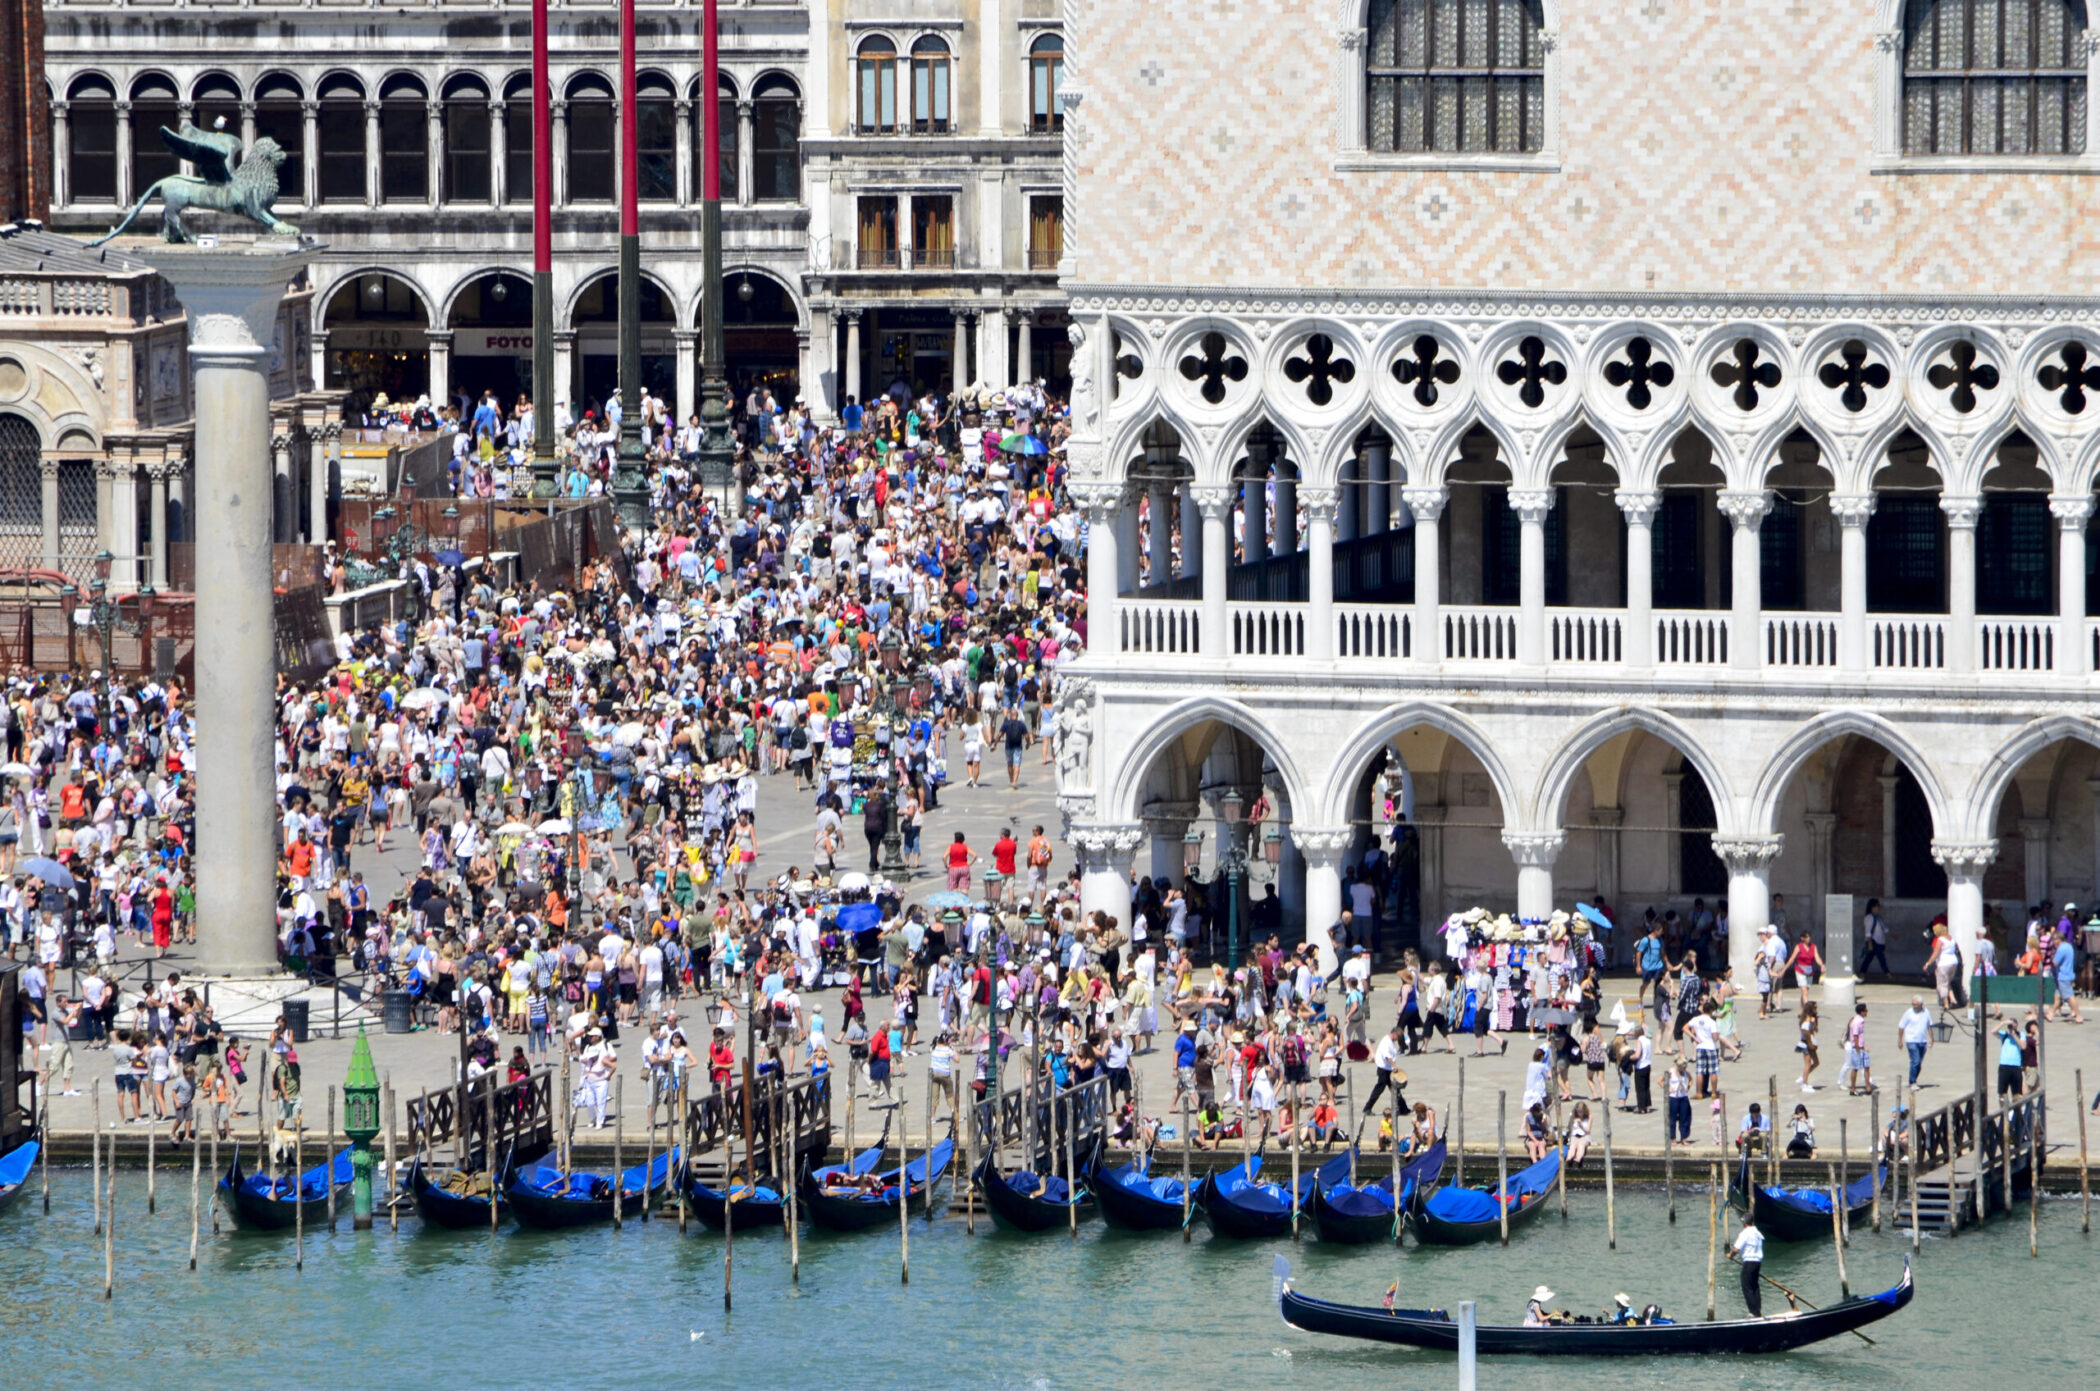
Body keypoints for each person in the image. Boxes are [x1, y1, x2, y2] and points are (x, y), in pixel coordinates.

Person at [1727, 1215, 1766, 1318]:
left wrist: (1730, 1255)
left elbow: (1736, 1249)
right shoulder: (1757, 1232)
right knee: (1754, 1286)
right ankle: (1757, 1311)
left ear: (1745, 1223)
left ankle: (1754, 1312)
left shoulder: (1745, 1233)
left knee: (1746, 1287)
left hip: (1749, 1262)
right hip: (1757, 1262)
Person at [1897, 995, 1933, 1087]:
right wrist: (1900, 1040)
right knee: (1915, 1061)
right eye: (1913, 1004)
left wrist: (1931, 1038)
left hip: (1922, 1041)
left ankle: (1913, 1080)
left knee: (1919, 1063)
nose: (1914, 1006)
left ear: (1921, 1004)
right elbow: (1901, 1026)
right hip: (1911, 1040)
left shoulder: (1926, 1012)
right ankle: (1912, 1082)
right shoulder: (1908, 1013)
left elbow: (1929, 1026)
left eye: (1916, 1005)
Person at [1839, 1000, 1874, 1096]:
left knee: (1866, 1067)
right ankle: (1853, 1088)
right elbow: (1855, 1036)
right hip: (1857, 1048)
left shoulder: (1860, 1021)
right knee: (1855, 1068)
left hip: (1862, 1047)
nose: (1867, 1012)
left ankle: (1868, 1087)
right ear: (1862, 1011)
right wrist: (1858, 1048)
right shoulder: (1857, 1022)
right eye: (1866, 1010)